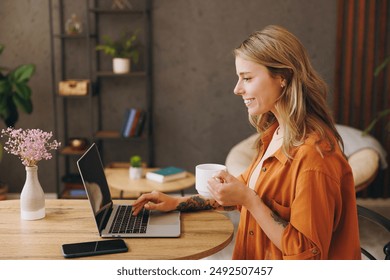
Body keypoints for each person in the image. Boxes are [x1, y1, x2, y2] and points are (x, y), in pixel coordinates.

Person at [132, 25, 361, 260]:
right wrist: (176, 203)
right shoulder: (275, 134)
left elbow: (308, 256)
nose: (237, 89)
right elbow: (242, 193)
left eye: (247, 78)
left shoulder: (314, 156)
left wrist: (249, 200)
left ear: (283, 77)